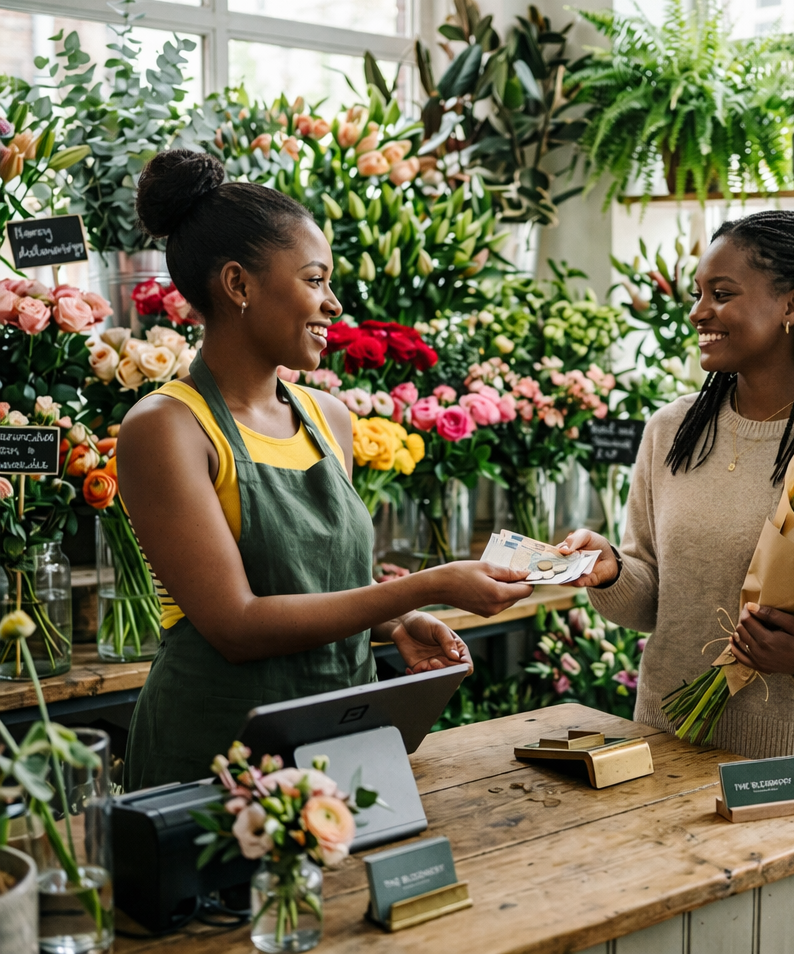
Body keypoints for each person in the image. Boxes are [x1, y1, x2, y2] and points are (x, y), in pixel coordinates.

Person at [120, 150, 532, 790]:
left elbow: (326, 580)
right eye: (314, 280)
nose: (334, 303)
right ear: (238, 285)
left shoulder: (328, 417)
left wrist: (394, 624)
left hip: (339, 741)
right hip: (215, 760)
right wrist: (425, 587)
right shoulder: (167, 427)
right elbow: (237, 625)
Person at [561, 209, 794, 794]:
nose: (698, 311)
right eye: (699, 293)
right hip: (669, 742)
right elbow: (653, 600)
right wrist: (611, 571)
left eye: (722, 293)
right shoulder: (672, 429)